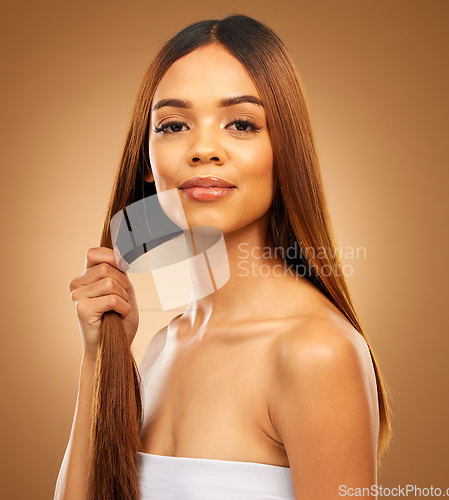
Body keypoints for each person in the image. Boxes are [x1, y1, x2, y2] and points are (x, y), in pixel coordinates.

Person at [54, 14, 392, 500]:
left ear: (284, 148)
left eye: (241, 123)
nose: (203, 149)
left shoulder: (316, 353)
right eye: (173, 125)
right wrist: (98, 354)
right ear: (148, 164)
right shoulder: (161, 346)